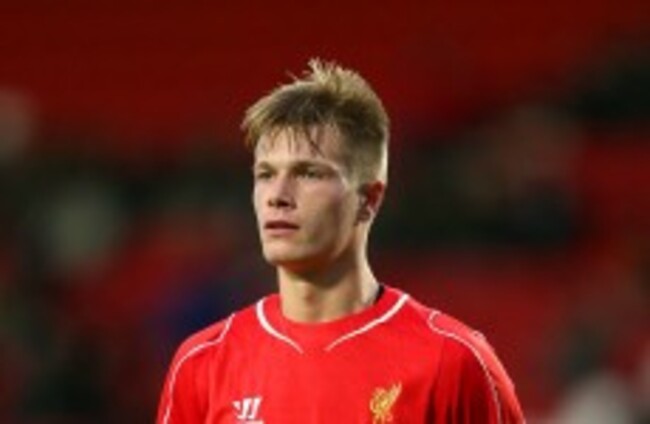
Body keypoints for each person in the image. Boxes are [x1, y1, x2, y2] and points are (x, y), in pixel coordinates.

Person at [157, 59, 525, 423]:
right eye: (265, 174)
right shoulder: (203, 364)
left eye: (308, 173)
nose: (277, 196)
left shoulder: (453, 363)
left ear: (369, 199)